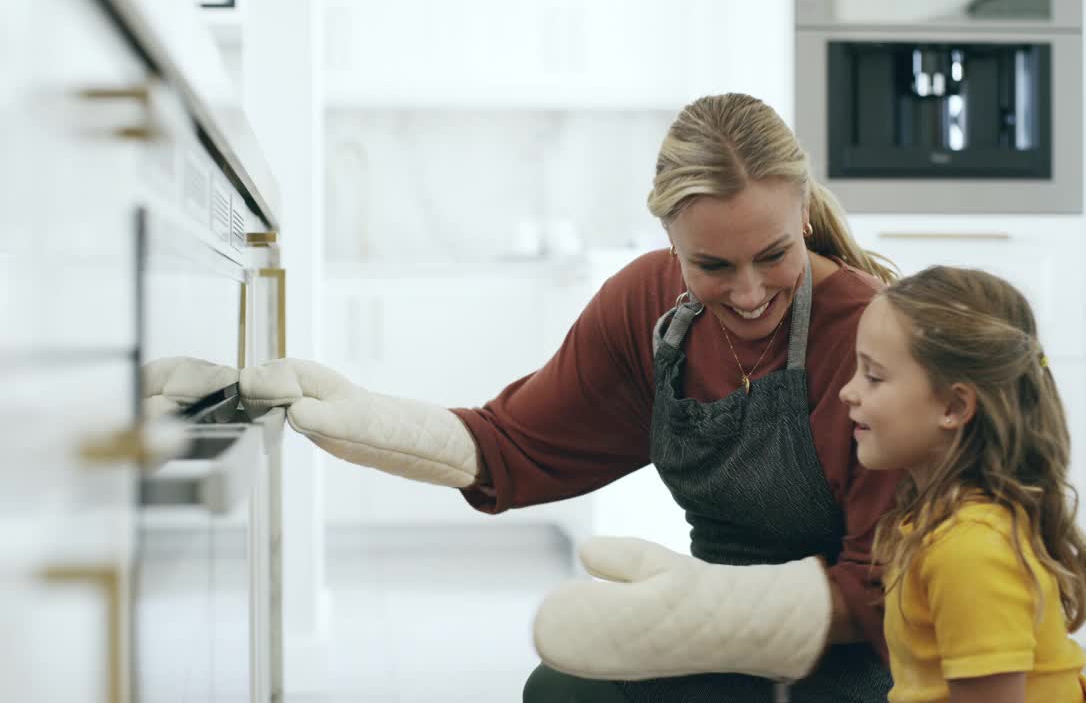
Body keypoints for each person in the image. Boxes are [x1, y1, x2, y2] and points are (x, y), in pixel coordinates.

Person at [240, 92, 902, 702]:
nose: (750, 292)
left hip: (854, 652)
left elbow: (884, 589)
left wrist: (695, 610)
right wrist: (366, 421)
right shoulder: (647, 303)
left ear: (805, 213)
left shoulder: (874, 335)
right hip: (716, 631)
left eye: (773, 254)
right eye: (713, 266)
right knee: (561, 689)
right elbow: (518, 444)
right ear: (670, 241)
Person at [837, 265, 1086, 703]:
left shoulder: (971, 550)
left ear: (955, 405)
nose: (849, 391)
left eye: (874, 376)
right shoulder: (939, 525)